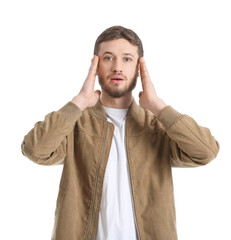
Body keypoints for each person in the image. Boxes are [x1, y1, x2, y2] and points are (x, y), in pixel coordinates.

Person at [21, 25, 220, 240]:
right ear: (95, 66)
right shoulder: (76, 124)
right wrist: (78, 102)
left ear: (138, 67)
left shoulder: (157, 126)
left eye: (127, 59)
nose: (117, 67)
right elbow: (35, 149)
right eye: (108, 58)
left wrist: (158, 106)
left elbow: (206, 151)